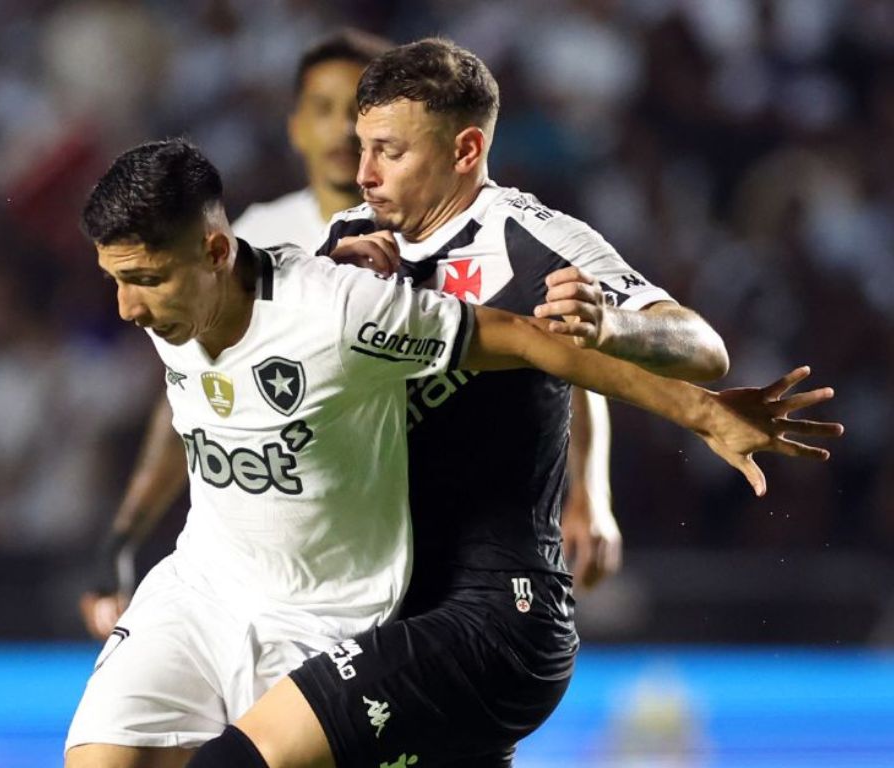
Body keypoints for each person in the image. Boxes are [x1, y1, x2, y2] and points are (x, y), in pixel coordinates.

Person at [66, 137, 840, 768]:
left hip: (323, 616)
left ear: (214, 250)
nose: (128, 308)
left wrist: (700, 413)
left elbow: (535, 344)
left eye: (145, 281)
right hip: (200, 588)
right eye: (116, 283)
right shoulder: (172, 310)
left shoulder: (339, 311)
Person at [80, 30, 619, 646]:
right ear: (295, 126)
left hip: (446, 535)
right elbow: (197, 404)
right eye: (323, 109)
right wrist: (123, 535)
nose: (342, 132)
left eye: (360, 119)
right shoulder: (245, 240)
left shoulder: (463, 224)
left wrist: (589, 490)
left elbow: (550, 346)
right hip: (309, 563)